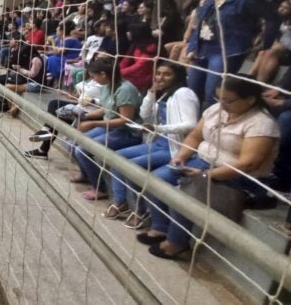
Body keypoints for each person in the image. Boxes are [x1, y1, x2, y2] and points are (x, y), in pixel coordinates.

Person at [139, 76, 279, 259]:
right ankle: (160, 228)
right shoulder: (215, 110)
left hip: (238, 176)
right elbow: (195, 136)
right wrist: (181, 156)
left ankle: (177, 242)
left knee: (184, 194)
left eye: (228, 101)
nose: (222, 105)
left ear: (250, 99)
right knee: (157, 179)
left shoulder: (262, 124)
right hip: (203, 162)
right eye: (218, 99)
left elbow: (248, 163)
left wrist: (207, 174)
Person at [105, 62, 199, 228]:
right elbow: (144, 114)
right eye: (158, 73)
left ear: (177, 77)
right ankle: (121, 202)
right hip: (158, 143)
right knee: (117, 158)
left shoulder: (184, 93)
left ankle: (140, 210)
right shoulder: (164, 95)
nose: (160, 77)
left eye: (167, 74)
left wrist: (159, 128)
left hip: (174, 148)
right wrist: (151, 93)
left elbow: (191, 124)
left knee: (132, 166)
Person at [186, 0, 280, 108]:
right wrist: (193, 47)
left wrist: (266, 45)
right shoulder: (211, 1)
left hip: (226, 52)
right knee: (192, 92)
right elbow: (201, 25)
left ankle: (211, 121)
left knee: (212, 95)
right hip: (202, 51)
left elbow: (273, 18)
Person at [68, 57, 143, 200]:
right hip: (110, 126)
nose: (93, 80)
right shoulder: (108, 86)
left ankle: (100, 188)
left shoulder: (125, 90)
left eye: (94, 76)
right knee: (71, 143)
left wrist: (94, 124)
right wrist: (86, 116)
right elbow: (106, 109)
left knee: (82, 149)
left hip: (126, 132)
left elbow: (124, 120)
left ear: (103, 74)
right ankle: (85, 174)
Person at [119, 23, 159, 93]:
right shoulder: (135, 44)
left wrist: (120, 72)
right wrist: (117, 69)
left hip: (145, 77)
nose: (127, 33)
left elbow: (140, 65)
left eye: (130, 31)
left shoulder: (152, 47)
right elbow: (126, 60)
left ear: (138, 32)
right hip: (135, 73)